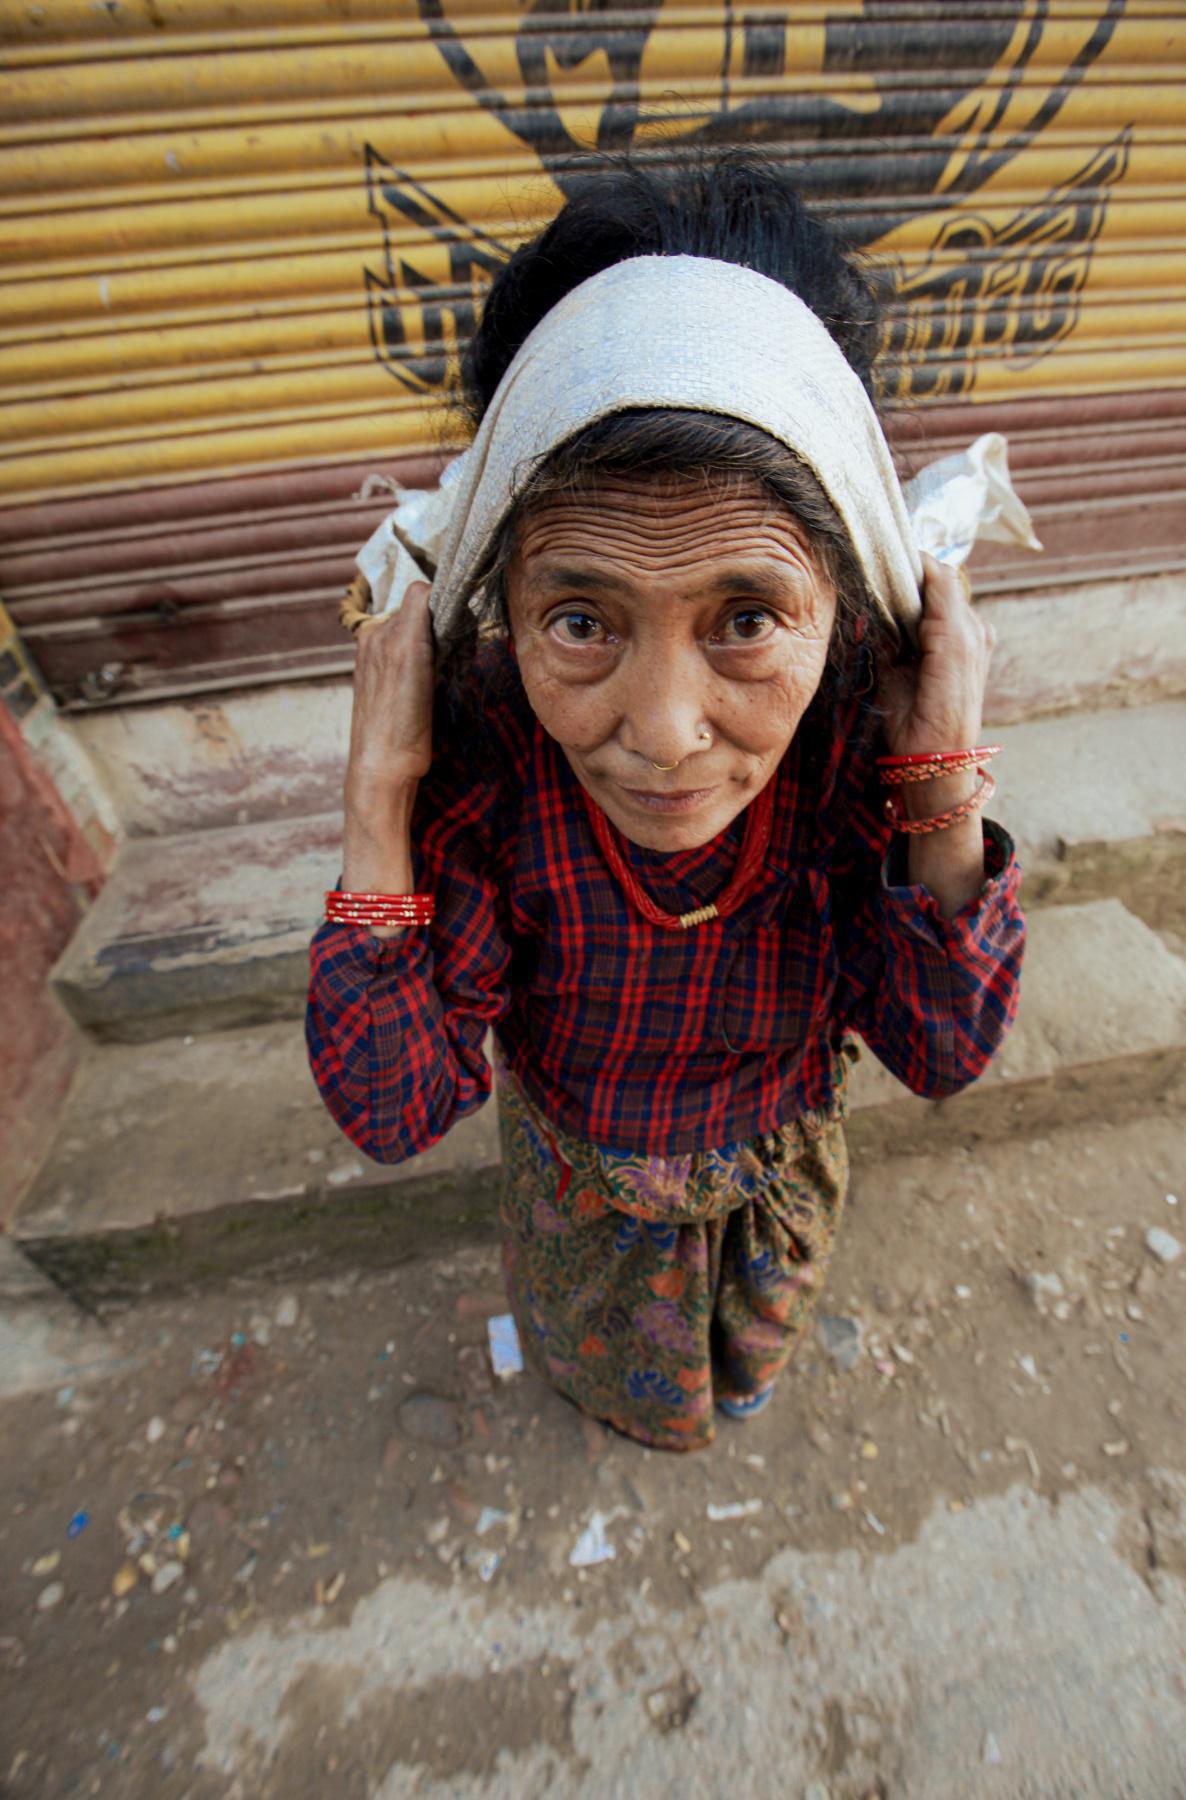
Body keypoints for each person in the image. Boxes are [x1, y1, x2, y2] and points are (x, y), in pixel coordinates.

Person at [307, 155, 1025, 1452]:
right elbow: (393, 1106)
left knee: (751, 1362)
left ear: (850, 607)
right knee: (625, 1379)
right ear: (501, 611)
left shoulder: (859, 739)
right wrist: (379, 790)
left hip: (779, 1160)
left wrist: (940, 770)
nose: (664, 733)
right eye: (580, 621)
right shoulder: (495, 769)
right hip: (582, 1184)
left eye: (747, 619)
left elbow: (942, 1051)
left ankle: (736, 1386)